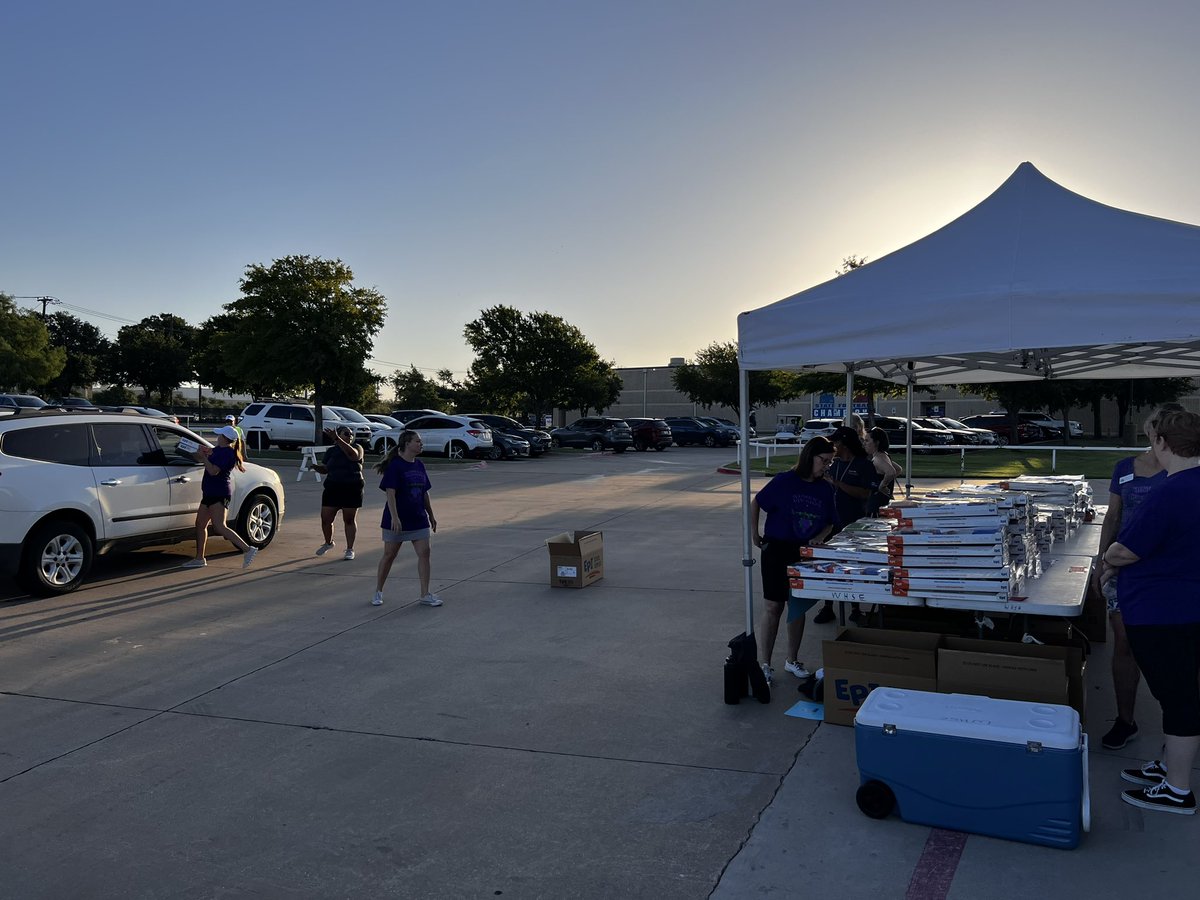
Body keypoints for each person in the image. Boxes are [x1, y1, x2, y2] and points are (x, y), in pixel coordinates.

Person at [1102, 408, 1200, 816]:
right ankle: (1169, 764)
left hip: (1164, 611)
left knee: (1176, 697)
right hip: (1184, 605)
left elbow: (1126, 548)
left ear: (1162, 443)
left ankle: (1178, 789)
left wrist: (1109, 557)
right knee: (1178, 693)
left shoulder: (1172, 491)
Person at [1093, 404, 1180, 750]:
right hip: (1123, 567)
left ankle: (1178, 725)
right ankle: (1125, 719)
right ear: (1150, 431)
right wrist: (1102, 560)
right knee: (1124, 642)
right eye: (1158, 428)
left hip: (1167, 572)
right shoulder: (1125, 468)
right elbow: (1112, 517)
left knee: (1170, 647)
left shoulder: (1185, 471)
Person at [751, 436, 837, 684]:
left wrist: (820, 538)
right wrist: (754, 534)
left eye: (830, 462)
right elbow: (756, 502)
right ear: (810, 456)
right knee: (773, 607)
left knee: (797, 607)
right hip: (777, 548)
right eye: (824, 461)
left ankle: (792, 659)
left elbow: (830, 521)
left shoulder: (825, 488)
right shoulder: (785, 481)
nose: (826, 466)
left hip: (804, 553)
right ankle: (765, 663)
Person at [813, 426, 875, 625]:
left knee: (852, 567)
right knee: (830, 566)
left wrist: (837, 484)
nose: (833, 446)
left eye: (836, 442)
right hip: (830, 524)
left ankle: (855, 607)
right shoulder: (834, 464)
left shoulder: (864, 465)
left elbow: (866, 494)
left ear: (845, 443)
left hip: (853, 522)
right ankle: (828, 606)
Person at [372, 430, 440, 607]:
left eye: (420, 441)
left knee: (425, 553)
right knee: (389, 555)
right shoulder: (396, 465)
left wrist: (431, 515)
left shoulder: (419, 465)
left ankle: (425, 594)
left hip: (418, 518)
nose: (421, 444)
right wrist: (394, 517)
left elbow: (425, 492)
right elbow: (390, 493)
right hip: (397, 521)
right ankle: (378, 591)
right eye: (417, 441)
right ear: (407, 444)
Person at [182, 425, 257, 569]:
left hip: (220, 493)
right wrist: (196, 451)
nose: (217, 437)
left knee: (219, 526)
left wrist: (204, 457)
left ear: (224, 438)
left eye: (219, 435)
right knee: (200, 524)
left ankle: (248, 549)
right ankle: (199, 558)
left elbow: (213, 471)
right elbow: (204, 456)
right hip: (209, 493)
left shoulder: (228, 454)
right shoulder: (217, 450)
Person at [314, 424, 365, 561]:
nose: (350, 436)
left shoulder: (357, 448)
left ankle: (349, 549)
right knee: (326, 519)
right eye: (346, 433)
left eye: (350, 434)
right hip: (333, 487)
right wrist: (316, 468)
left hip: (352, 488)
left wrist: (337, 439)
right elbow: (326, 469)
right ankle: (328, 543)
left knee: (349, 519)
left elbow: (353, 456)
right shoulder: (331, 451)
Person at [864, 427, 903, 517]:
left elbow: (891, 472)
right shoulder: (884, 455)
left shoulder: (878, 459)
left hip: (876, 506)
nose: (864, 443)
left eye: (867, 441)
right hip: (883, 503)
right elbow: (898, 469)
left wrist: (882, 485)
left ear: (876, 442)